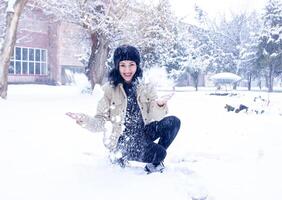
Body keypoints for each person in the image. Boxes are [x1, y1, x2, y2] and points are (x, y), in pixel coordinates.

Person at [67, 45, 181, 173]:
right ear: (117, 66)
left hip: (143, 133)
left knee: (174, 122)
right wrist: (85, 120)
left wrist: (160, 104)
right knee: (160, 153)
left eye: (131, 64)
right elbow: (100, 122)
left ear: (137, 65)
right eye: (123, 65)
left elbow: (157, 116)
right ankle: (119, 155)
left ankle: (154, 163)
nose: (127, 70)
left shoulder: (146, 87)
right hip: (122, 140)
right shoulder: (108, 90)